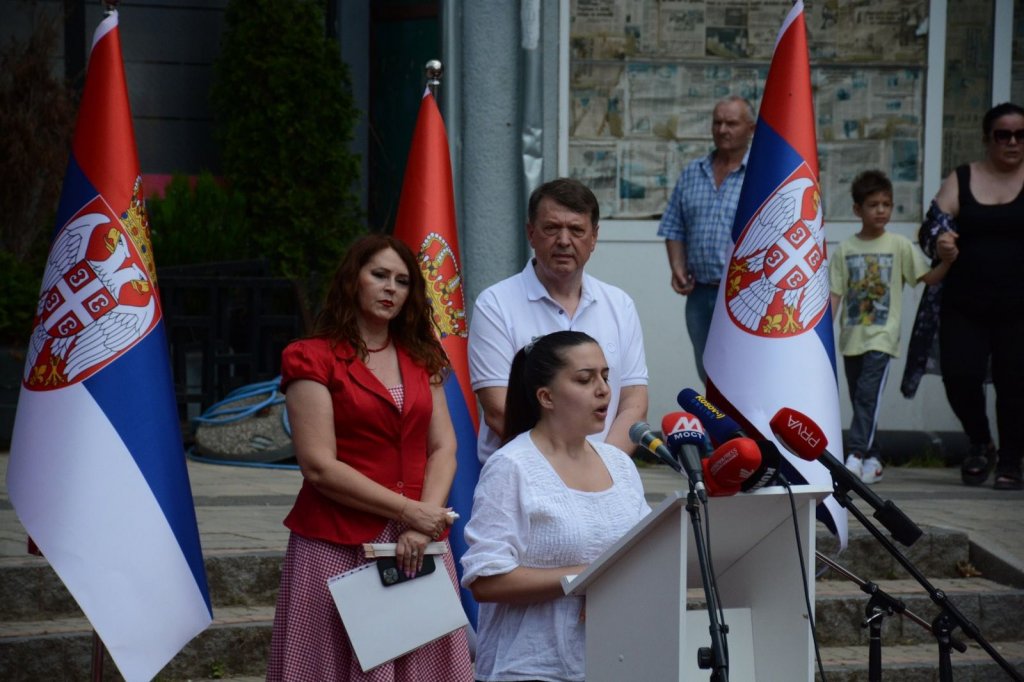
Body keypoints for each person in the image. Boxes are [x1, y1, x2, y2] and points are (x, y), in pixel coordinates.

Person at [266, 235, 473, 680]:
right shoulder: (311, 357)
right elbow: (319, 466)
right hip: (338, 541)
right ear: (352, 280)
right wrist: (409, 512)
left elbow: (444, 448)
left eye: (402, 281)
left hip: (417, 538)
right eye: (379, 275)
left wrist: (422, 521)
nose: (391, 288)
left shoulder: (423, 355)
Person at [461, 331, 651, 682]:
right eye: (585, 379)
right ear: (546, 397)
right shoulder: (512, 466)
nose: (604, 390)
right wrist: (589, 576)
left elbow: (646, 555)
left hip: (616, 661)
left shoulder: (619, 464)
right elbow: (486, 581)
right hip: (530, 668)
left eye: (605, 376)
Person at [468, 177, 648, 463]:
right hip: (525, 474)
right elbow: (499, 410)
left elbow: (633, 403)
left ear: (594, 237)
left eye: (576, 230)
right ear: (531, 233)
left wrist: (603, 468)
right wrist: (568, 470)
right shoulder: (495, 304)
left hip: (605, 473)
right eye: (551, 228)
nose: (564, 241)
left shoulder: (619, 305)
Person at [920, 102, 1024, 490]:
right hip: (965, 303)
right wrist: (940, 243)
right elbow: (931, 229)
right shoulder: (962, 178)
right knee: (959, 378)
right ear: (987, 139)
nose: (1012, 142)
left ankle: (1011, 460)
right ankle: (981, 442)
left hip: (1018, 308)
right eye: (1003, 135)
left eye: (1020, 135)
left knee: (1015, 385)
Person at [829, 170, 951, 485]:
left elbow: (928, 278)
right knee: (861, 400)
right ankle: (874, 459)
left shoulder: (899, 245)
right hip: (851, 340)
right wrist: (822, 335)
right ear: (857, 209)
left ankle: (855, 455)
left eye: (887, 204)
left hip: (882, 339)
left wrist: (947, 261)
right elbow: (835, 295)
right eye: (873, 205)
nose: (881, 210)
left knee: (867, 397)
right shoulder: (845, 249)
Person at [658, 95, 756, 384]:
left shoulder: (762, 175)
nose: (722, 130)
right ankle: (718, 417)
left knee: (744, 375)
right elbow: (674, 226)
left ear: (750, 128)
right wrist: (677, 266)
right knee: (709, 374)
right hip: (699, 294)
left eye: (731, 123)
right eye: (717, 123)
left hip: (745, 296)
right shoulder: (693, 172)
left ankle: (740, 418)